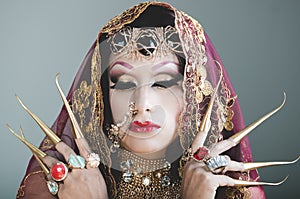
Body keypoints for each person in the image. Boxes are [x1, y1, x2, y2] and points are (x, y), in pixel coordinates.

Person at [8, 2, 297, 199]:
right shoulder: (60, 186)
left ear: (195, 93)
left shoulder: (228, 189)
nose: (142, 103)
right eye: (122, 83)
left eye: (164, 82)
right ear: (100, 97)